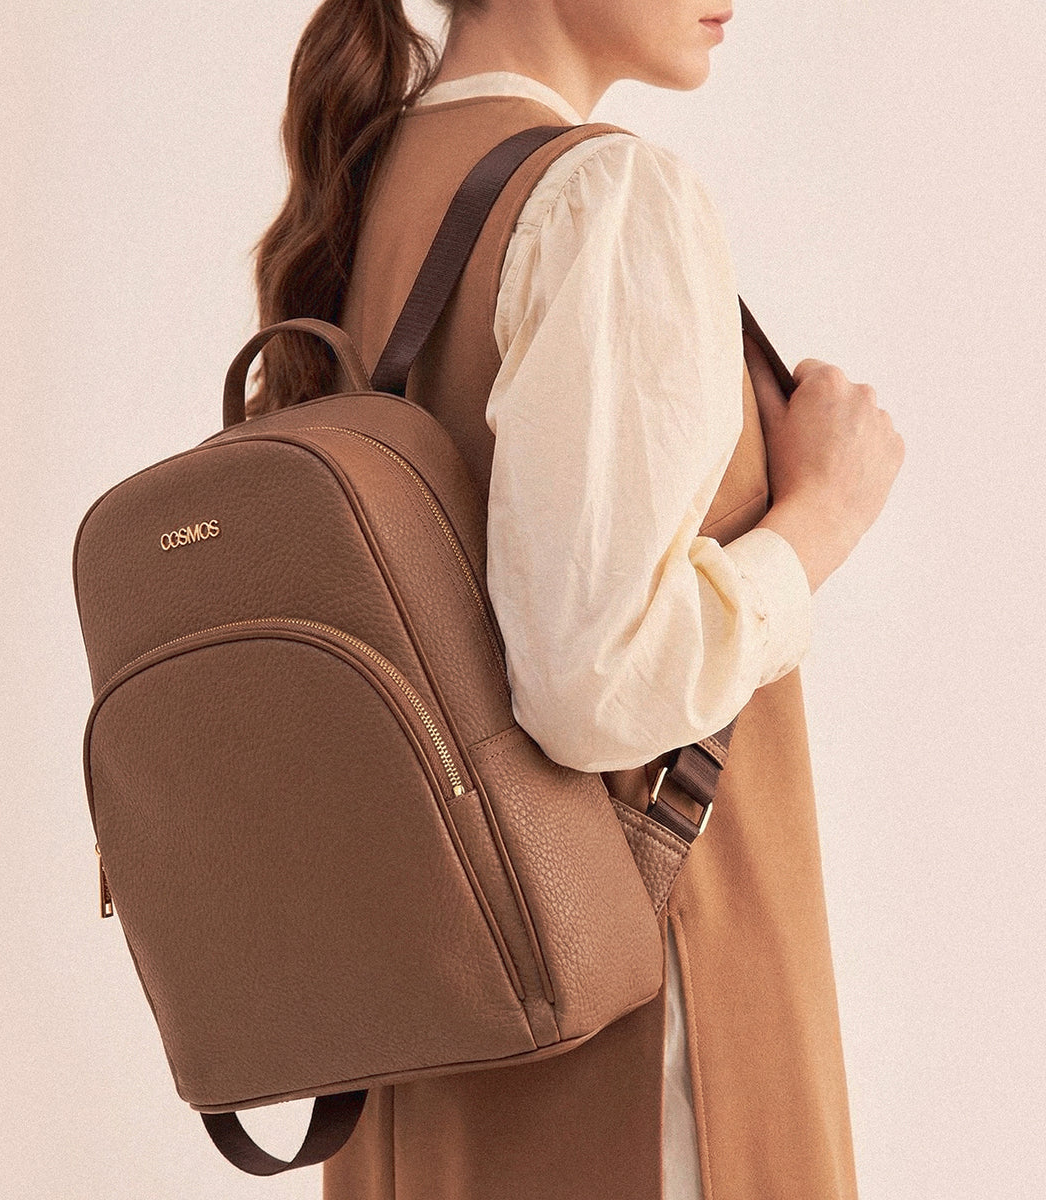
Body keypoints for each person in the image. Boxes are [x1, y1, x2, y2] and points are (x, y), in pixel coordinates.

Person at [246, 1, 905, 1197]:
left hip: (434, 1035)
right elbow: (593, 685)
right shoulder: (601, 198)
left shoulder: (378, 184)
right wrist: (822, 517)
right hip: (635, 1055)